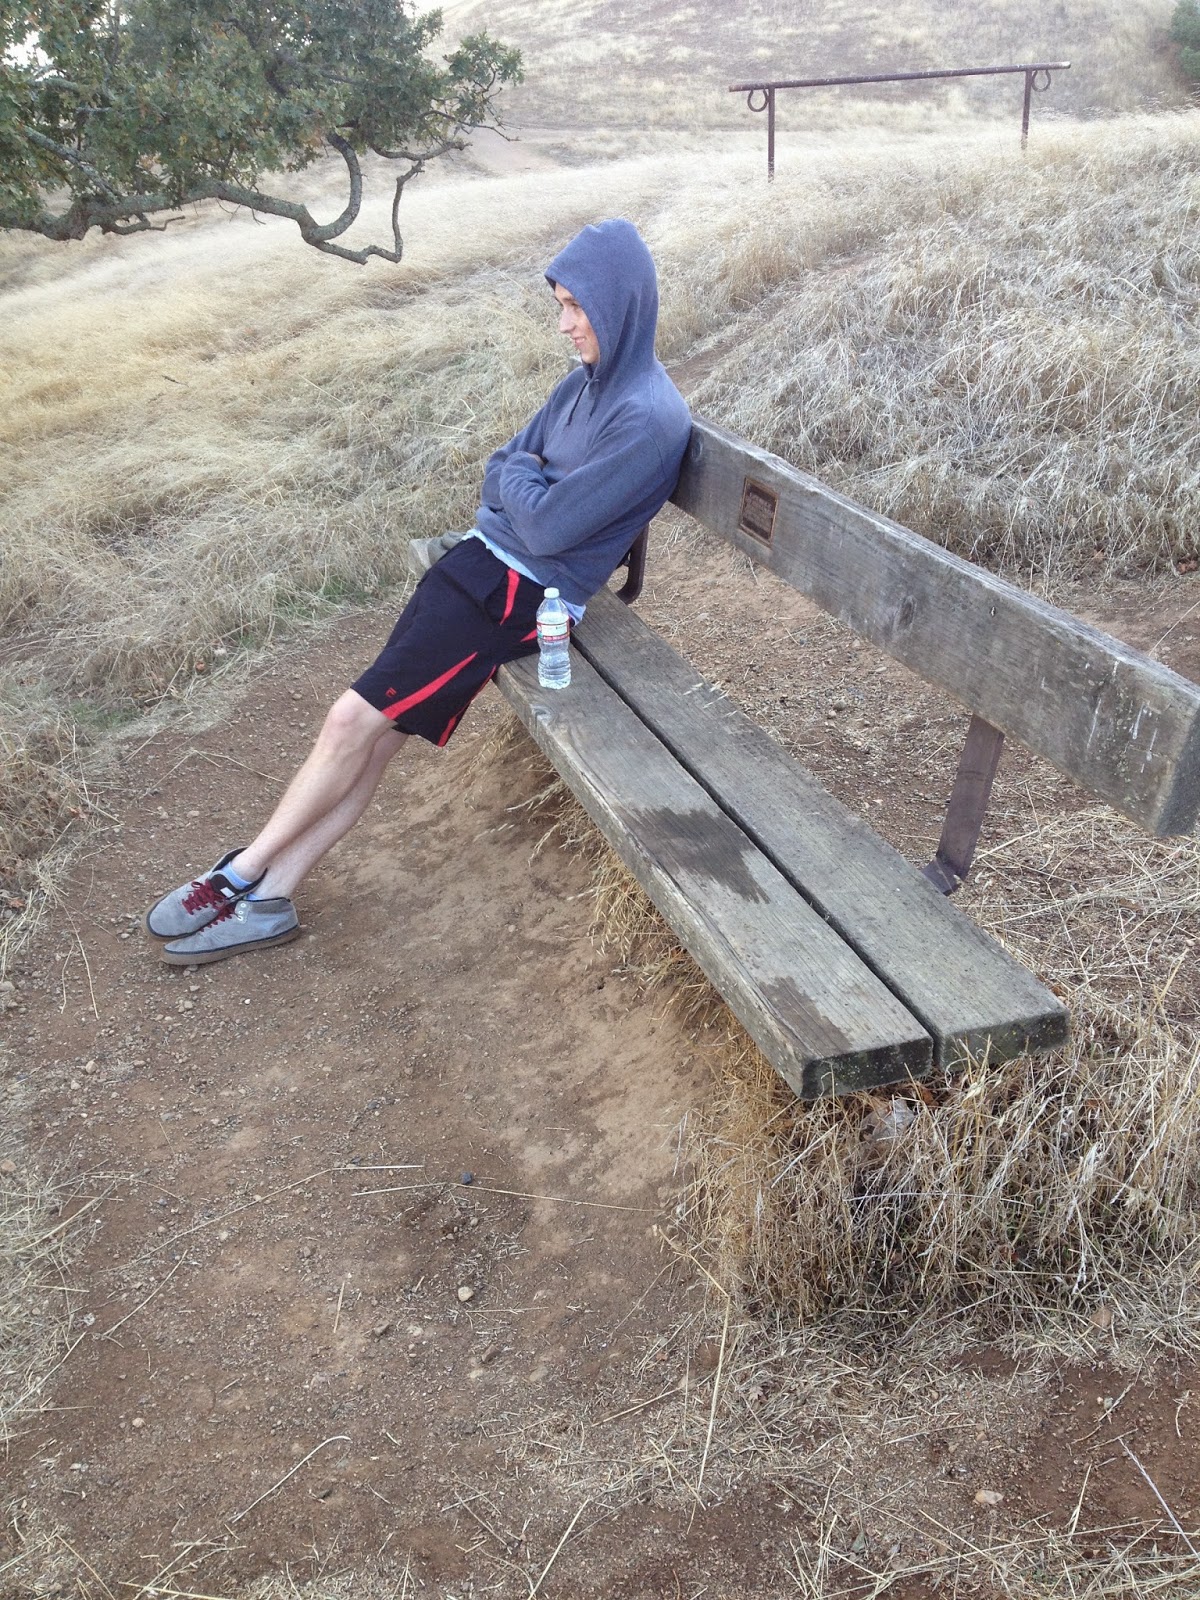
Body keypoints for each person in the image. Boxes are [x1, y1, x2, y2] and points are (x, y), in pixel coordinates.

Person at [144, 217, 692, 965]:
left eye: (577, 307)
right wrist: (522, 483)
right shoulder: (581, 385)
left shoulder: (649, 418)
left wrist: (519, 486)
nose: (564, 325)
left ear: (620, 303)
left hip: (520, 600)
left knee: (350, 721)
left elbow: (548, 527)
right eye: (559, 305)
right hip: (479, 569)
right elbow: (502, 462)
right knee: (374, 738)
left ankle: (239, 874)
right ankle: (273, 898)